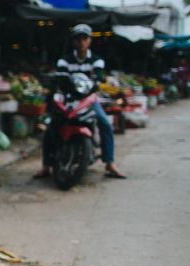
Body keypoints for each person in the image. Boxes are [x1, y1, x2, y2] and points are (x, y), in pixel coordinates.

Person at [35, 24, 125, 180]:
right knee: (52, 126)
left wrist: (95, 82)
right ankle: (46, 165)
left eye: (85, 38)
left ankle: (109, 162)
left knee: (104, 123)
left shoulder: (96, 60)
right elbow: (61, 79)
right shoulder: (65, 60)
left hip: (87, 100)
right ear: (73, 42)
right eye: (78, 39)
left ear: (89, 41)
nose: (81, 42)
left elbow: (97, 77)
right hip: (68, 99)